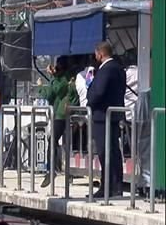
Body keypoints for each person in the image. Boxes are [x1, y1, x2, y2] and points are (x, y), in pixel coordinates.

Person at [86, 40, 127, 197]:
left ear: (100, 53)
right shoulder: (118, 68)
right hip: (114, 115)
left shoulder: (106, 70)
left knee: (105, 152)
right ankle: (116, 186)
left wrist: (90, 99)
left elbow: (99, 92)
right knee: (114, 151)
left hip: (102, 116)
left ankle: (107, 187)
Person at [37, 56, 78, 186]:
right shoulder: (68, 77)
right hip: (64, 112)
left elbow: (51, 93)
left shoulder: (63, 79)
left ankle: (53, 169)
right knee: (65, 143)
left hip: (61, 113)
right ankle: (63, 171)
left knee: (53, 140)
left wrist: (42, 85)